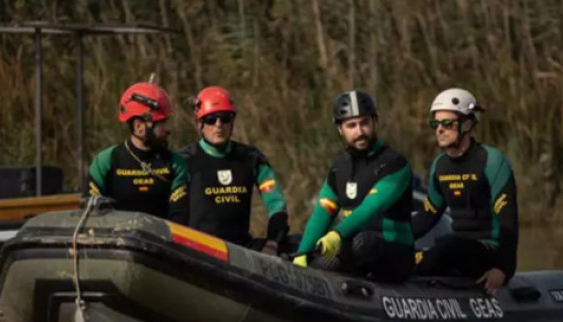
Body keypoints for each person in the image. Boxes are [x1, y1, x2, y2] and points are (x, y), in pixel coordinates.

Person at [292, 90, 415, 283]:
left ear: (375, 121)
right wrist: (302, 254)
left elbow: (370, 208)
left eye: (364, 123)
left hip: (392, 252)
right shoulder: (339, 168)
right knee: (310, 255)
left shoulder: (394, 164)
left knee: (363, 243)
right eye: (351, 125)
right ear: (340, 129)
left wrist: (336, 234)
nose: (359, 132)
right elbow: (323, 212)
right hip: (353, 247)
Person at [412, 88, 519, 295]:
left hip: (486, 251)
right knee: (430, 247)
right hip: (455, 250)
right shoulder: (440, 166)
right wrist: (392, 235)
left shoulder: (492, 162)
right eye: (435, 124)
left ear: (467, 124)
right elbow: (427, 217)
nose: (439, 130)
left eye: (447, 124)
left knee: (448, 244)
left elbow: (508, 222)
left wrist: (503, 268)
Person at [178, 86, 289, 254]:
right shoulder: (184, 160)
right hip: (198, 252)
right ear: (199, 123)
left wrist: (273, 242)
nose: (218, 125)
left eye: (225, 118)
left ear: (232, 121)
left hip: (240, 250)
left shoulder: (252, 158)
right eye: (211, 119)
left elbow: (276, 204)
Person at [86, 82, 189, 223]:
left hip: (160, 243)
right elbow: (90, 216)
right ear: (139, 126)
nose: (168, 129)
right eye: (162, 123)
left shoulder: (175, 164)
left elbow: (180, 218)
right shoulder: (106, 161)